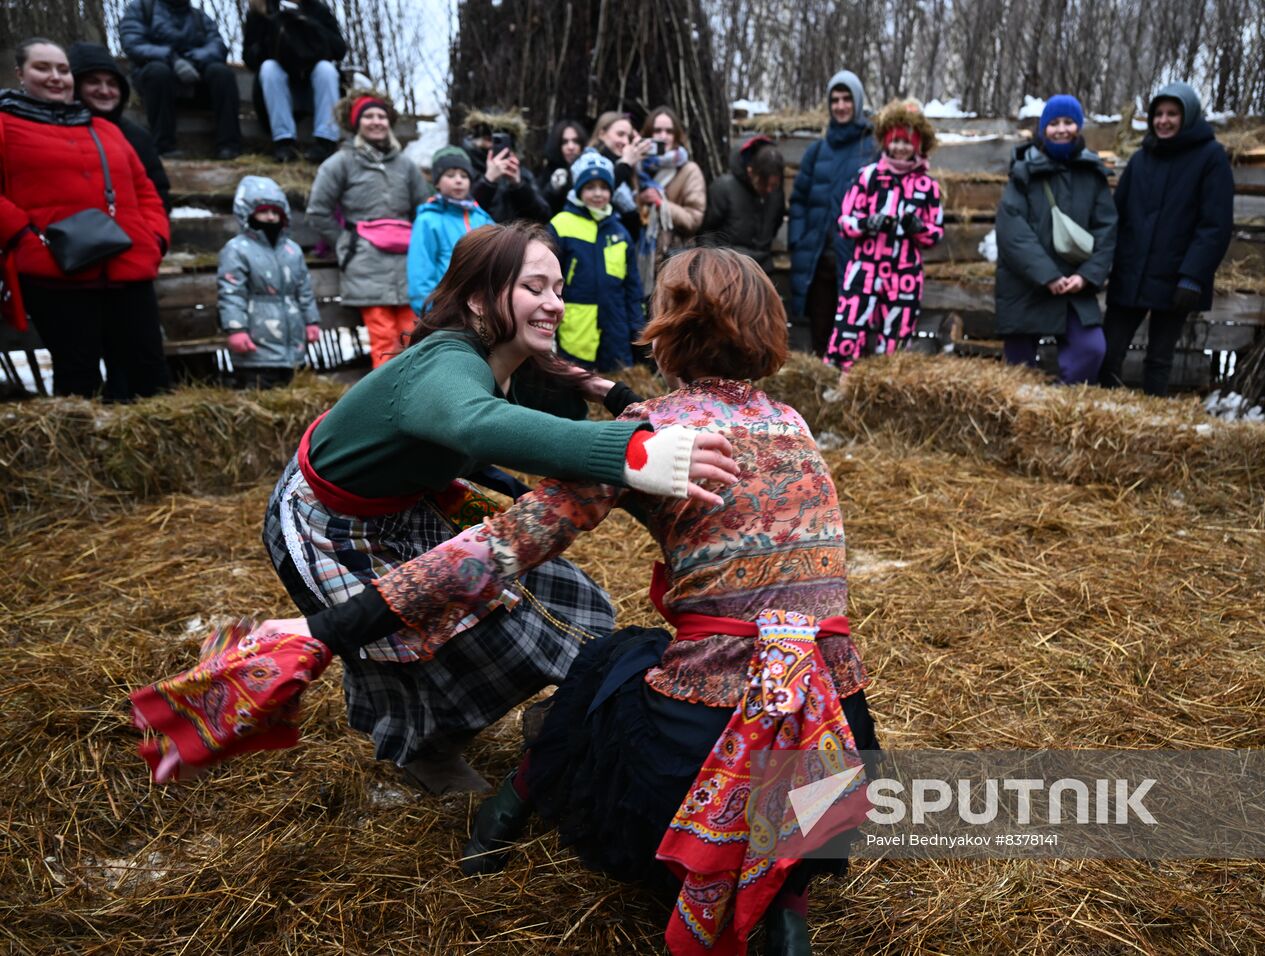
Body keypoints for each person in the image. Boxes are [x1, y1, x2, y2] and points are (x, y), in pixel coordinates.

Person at [132, 248, 871, 956]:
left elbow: (487, 556)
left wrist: (330, 627)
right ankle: (789, 905)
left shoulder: (645, 441)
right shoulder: (791, 423)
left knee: (604, 663)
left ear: (671, 325)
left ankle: (504, 809)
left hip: (695, 759)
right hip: (833, 747)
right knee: (668, 666)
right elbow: (697, 419)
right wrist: (605, 392)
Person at [257, 221, 738, 790]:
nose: (555, 304)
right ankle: (428, 753)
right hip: (331, 523)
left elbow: (557, 412)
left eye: (559, 289)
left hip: (406, 502)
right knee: (456, 636)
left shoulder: (512, 361)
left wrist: (616, 401)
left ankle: (484, 733)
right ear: (480, 298)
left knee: (556, 600)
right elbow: (477, 423)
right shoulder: (446, 362)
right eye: (535, 288)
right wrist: (631, 453)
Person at [0, 39, 171, 401]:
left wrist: (154, 239)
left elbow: (145, 190)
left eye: (62, 69)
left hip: (128, 267)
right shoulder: (5, 124)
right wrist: (23, 237)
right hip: (55, 272)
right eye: (42, 68)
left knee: (150, 379)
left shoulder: (105, 128)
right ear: (20, 73)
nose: (55, 77)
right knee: (79, 383)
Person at [1098, 82, 1234, 396]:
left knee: (1159, 359)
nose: (1163, 120)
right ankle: (1106, 412)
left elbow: (1214, 225)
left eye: (1172, 113)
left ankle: (1152, 421)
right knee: (1109, 352)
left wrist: (1192, 276)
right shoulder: (1141, 159)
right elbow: (1116, 216)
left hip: (1176, 279)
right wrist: (1105, 263)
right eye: (1158, 114)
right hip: (1131, 273)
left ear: (1188, 116)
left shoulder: (1210, 157)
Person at [994, 94, 1117, 385]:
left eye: (1069, 122)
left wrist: (1086, 277)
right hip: (1026, 286)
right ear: (1043, 129)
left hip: (1075, 287)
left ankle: (1060, 409)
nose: (1061, 129)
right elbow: (1012, 232)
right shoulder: (1023, 172)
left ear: (1079, 127)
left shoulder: (1093, 175)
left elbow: (1107, 231)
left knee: (1091, 349)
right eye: (1054, 123)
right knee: (1018, 372)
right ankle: (1021, 415)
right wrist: (1047, 275)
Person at [306, 89, 430, 367]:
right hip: (365, 264)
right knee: (384, 338)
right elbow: (318, 211)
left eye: (381, 116)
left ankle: (417, 402)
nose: (376, 121)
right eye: (369, 116)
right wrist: (346, 242)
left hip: (407, 263)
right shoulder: (340, 163)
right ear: (356, 122)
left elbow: (423, 210)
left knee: (414, 337)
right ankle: (387, 403)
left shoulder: (406, 166)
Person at [827, 98, 944, 371]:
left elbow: (935, 233)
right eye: (896, 141)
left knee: (896, 337)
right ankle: (836, 380)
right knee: (849, 326)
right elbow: (845, 221)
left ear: (917, 145)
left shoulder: (928, 186)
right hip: (865, 268)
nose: (900, 148)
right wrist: (869, 223)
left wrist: (919, 229)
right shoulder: (867, 177)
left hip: (905, 273)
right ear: (886, 142)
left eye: (907, 142)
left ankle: (885, 386)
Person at [787, 70, 877, 356]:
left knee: (854, 340)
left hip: (855, 260)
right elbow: (799, 200)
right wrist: (798, 240)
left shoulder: (871, 148)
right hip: (818, 263)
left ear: (858, 101)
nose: (840, 106)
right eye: (835, 99)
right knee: (820, 339)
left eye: (846, 99)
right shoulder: (817, 151)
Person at [217, 175, 321, 389]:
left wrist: (311, 321)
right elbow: (231, 292)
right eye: (263, 211)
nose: (271, 217)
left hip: (292, 340)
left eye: (276, 212)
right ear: (247, 213)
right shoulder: (237, 249)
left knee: (292, 390)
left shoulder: (292, 250)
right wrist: (236, 329)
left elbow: (304, 289)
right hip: (256, 342)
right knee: (259, 392)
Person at [548, 151, 643, 371]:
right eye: (590, 187)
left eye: (604, 187)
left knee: (617, 385)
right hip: (576, 325)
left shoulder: (620, 232)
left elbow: (632, 287)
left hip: (615, 326)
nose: (598, 193)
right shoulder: (561, 225)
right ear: (579, 190)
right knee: (576, 383)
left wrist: (638, 328)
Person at [118, 0, 242, 159]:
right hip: (157, 84)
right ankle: (163, 147)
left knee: (222, 73)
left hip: (196, 83)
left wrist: (194, 61)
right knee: (158, 72)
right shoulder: (141, 9)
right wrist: (173, 60)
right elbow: (132, 43)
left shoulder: (199, 17)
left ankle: (229, 146)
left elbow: (217, 45)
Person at [67, 42, 172, 213]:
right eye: (93, 82)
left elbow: (159, 195)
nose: (105, 91)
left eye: (112, 83)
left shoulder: (137, 137)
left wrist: (155, 237)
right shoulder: (58, 132)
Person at [242, 0, 347, 164]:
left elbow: (340, 50)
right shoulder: (261, 10)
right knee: (269, 68)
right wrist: (272, 34)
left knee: (326, 69)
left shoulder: (317, 9)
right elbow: (249, 58)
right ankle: (284, 142)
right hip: (278, 86)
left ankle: (326, 141)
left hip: (312, 84)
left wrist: (310, 25)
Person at [407, 147, 495, 316]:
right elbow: (420, 274)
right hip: (446, 312)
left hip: (484, 309)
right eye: (450, 175)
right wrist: (431, 313)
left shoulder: (482, 218)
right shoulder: (428, 220)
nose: (458, 180)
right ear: (437, 182)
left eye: (464, 176)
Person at [635, 106, 706, 292]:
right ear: (648, 134)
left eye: (669, 131)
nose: (663, 136)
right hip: (638, 258)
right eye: (657, 130)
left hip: (674, 260)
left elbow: (694, 220)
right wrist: (641, 199)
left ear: (676, 135)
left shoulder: (689, 170)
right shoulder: (637, 167)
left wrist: (661, 204)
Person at [699, 134, 786, 275]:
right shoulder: (722, 188)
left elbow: (775, 223)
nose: (769, 190)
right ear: (750, 171)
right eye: (763, 185)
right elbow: (707, 234)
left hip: (762, 269)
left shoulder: (775, 194)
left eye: (774, 185)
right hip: (728, 269)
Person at [460, 111, 550, 224]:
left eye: (500, 140)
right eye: (489, 139)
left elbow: (543, 216)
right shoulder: (467, 171)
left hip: (516, 238)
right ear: (477, 141)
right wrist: (488, 181)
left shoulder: (522, 174)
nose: (493, 145)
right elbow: (460, 215)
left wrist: (518, 185)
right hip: (481, 239)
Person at [589, 111, 647, 239]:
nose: (626, 142)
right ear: (602, 134)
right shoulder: (589, 161)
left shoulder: (627, 167)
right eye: (620, 134)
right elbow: (601, 187)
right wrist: (625, 164)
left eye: (629, 137)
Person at [539, 118, 588, 215]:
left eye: (576, 141)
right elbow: (540, 209)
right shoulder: (548, 172)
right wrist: (552, 189)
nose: (571, 147)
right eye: (565, 142)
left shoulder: (588, 170)